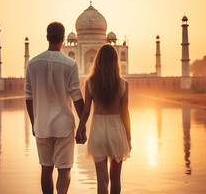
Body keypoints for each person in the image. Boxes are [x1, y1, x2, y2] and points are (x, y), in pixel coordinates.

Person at [25, 22, 85, 194]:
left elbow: (28, 97)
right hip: (64, 125)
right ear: (64, 39)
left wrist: (33, 122)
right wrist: (82, 126)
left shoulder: (33, 64)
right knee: (64, 170)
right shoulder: (70, 64)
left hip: (41, 124)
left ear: (47, 37)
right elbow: (77, 97)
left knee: (46, 168)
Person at [76, 44, 131, 194]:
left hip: (98, 132)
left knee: (102, 180)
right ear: (115, 60)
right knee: (116, 180)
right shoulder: (123, 84)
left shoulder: (90, 83)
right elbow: (125, 113)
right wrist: (129, 138)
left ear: (97, 60)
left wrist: (79, 130)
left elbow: (86, 111)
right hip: (117, 132)